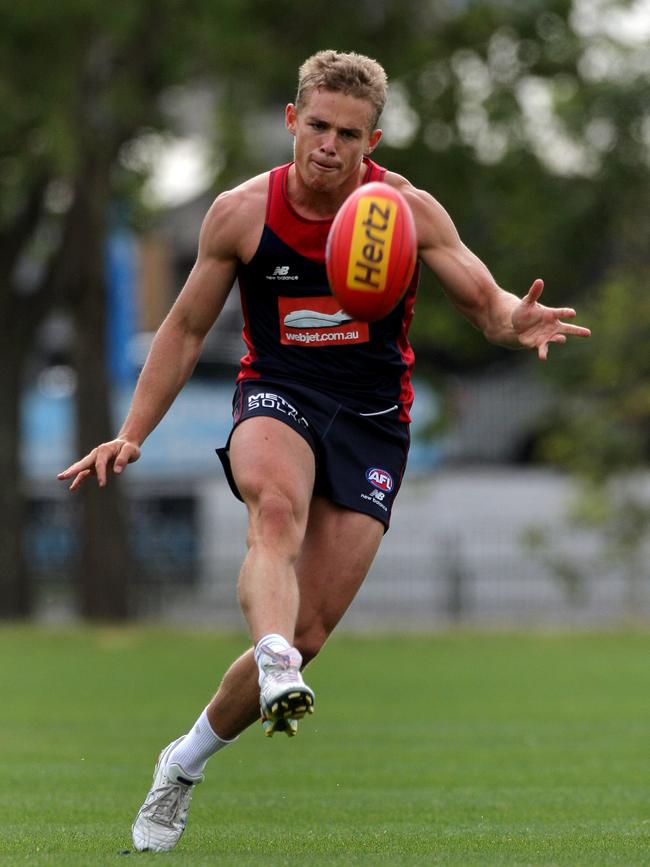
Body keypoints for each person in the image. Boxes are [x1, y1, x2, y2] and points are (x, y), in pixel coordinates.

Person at [58, 49, 591, 852]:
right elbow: (187, 328)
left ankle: (185, 760)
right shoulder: (241, 213)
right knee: (274, 511)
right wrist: (133, 431)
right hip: (277, 392)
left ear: (371, 139)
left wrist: (519, 318)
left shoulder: (404, 212)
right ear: (291, 121)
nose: (330, 145)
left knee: (309, 632)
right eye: (317, 126)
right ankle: (271, 657)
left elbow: (485, 303)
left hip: (374, 418)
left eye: (349, 133)